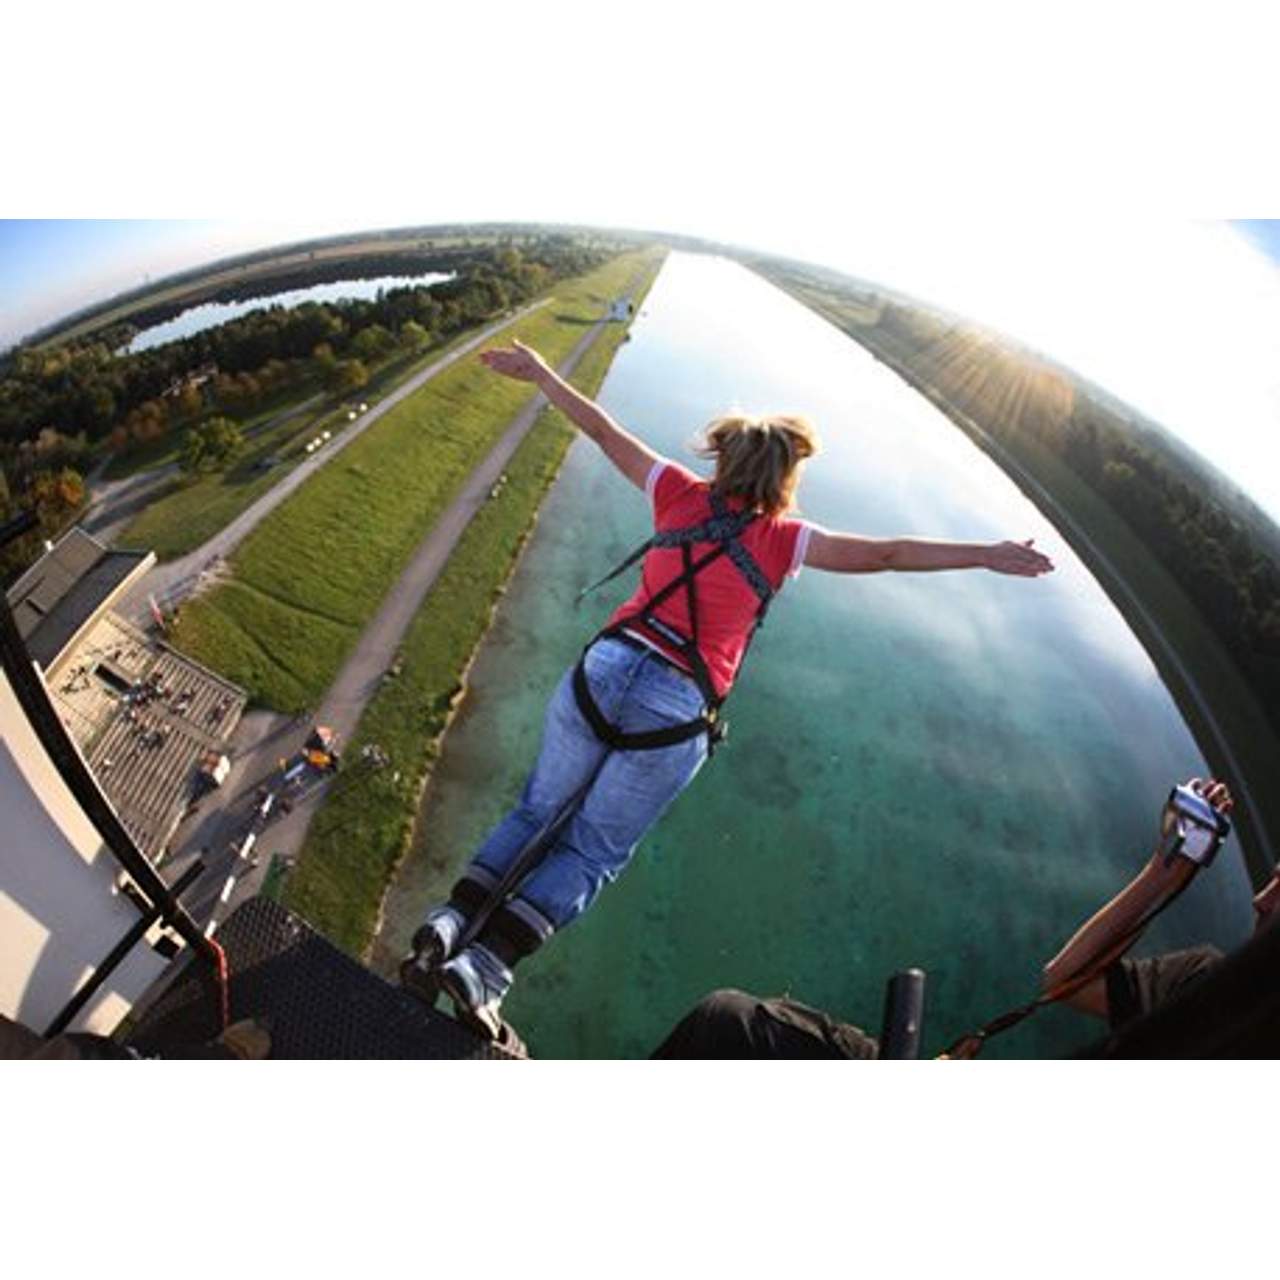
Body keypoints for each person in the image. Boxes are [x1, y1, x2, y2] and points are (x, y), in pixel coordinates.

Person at [404, 338, 1055, 1039]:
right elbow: (888, 554)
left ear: (725, 457)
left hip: (604, 671)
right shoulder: (783, 541)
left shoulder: (675, 493)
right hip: (673, 711)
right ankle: (485, 967)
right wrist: (985, 555)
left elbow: (601, 429)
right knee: (591, 850)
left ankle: (449, 924)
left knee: (537, 810)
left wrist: (540, 372)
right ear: (785, 476)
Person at [654, 776, 1272, 1058]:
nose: (1261, 899)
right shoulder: (1204, 979)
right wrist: (1163, 873)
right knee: (729, 1023)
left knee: (725, 1029)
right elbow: (1064, 980)